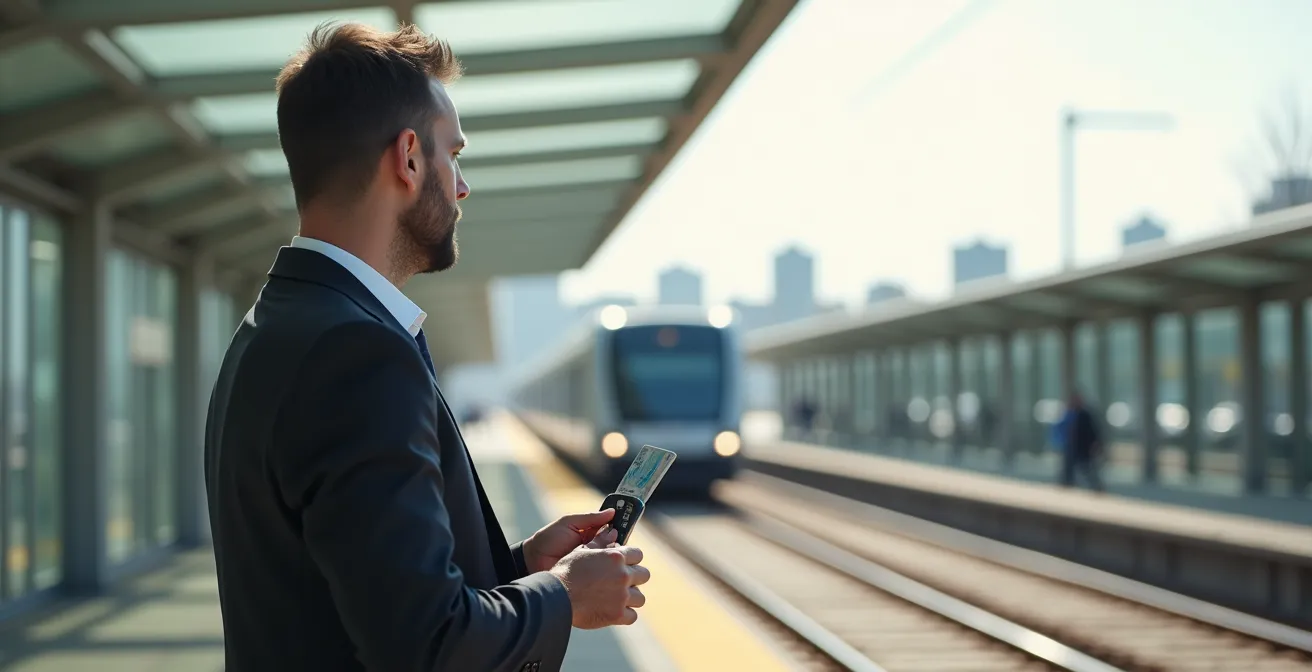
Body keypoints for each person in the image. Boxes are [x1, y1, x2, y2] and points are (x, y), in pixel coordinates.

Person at [203, 22, 649, 672]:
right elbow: (425, 645)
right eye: (454, 154)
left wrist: (521, 567)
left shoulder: (274, 325)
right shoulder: (355, 353)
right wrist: (563, 596)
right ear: (409, 158)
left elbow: (357, 590)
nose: (462, 185)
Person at [1058, 390, 1104, 491]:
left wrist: (1096, 445)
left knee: (1088, 470)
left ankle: (1097, 488)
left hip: (1083, 448)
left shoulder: (1085, 415)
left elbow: (1093, 431)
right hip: (1071, 447)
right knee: (1068, 471)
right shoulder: (1069, 413)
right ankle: (1066, 486)